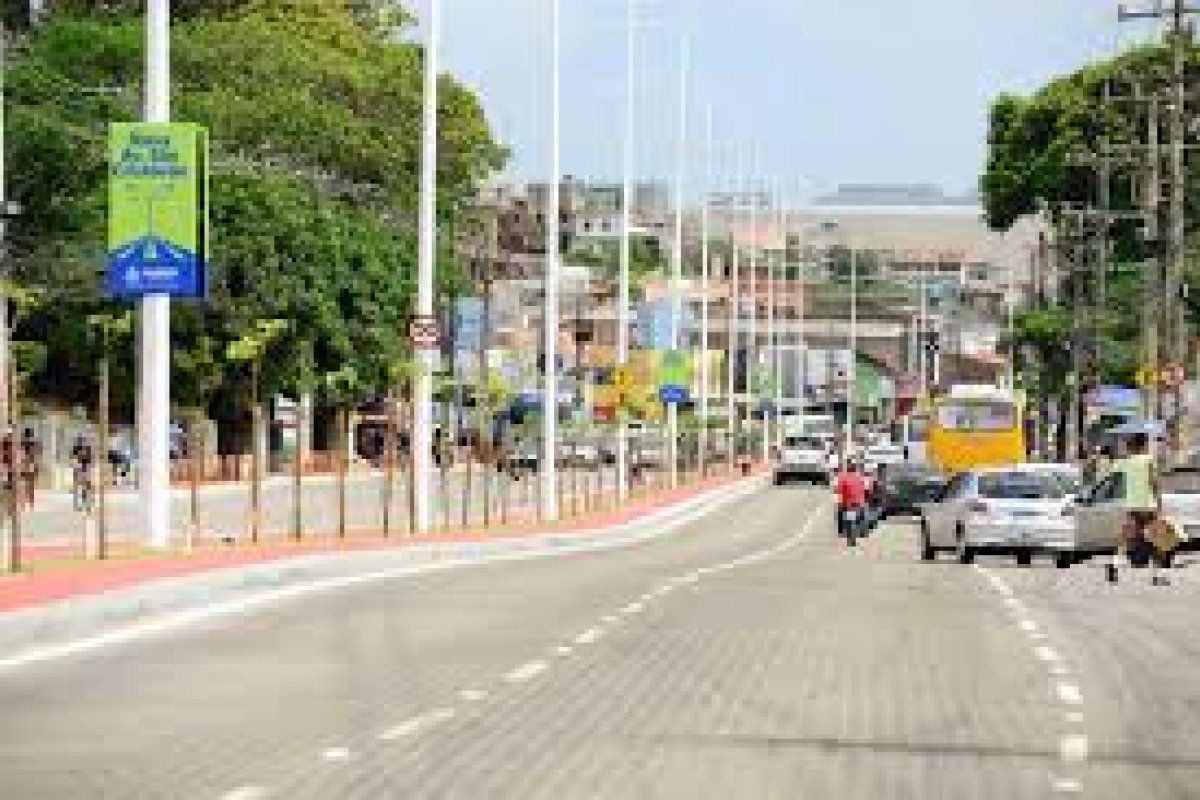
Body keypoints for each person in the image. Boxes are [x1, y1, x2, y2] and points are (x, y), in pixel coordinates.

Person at [1109, 431, 1166, 585]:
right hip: (1148, 506)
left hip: (1132, 506)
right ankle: (1156, 576)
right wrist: (1160, 504)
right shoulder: (1148, 460)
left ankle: (1114, 565)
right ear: (1144, 444)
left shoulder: (1127, 461)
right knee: (1157, 540)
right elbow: (1154, 483)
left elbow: (1113, 473)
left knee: (1125, 539)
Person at [835, 459, 868, 547]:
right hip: (859, 503)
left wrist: (840, 502)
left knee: (844, 518)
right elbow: (865, 489)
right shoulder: (860, 477)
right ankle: (863, 531)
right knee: (861, 517)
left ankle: (842, 532)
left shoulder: (843, 478)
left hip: (848, 504)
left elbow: (839, 490)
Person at [70, 435, 95, 514]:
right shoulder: (77, 448)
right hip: (80, 467)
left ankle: (86, 504)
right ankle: (80, 504)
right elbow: (73, 457)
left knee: (86, 486)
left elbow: (91, 459)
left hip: (85, 467)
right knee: (80, 486)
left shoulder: (87, 449)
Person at [19, 428, 39, 510]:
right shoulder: (34, 444)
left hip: (23, 464)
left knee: (23, 484)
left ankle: (24, 503)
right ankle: (31, 503)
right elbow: (36, 455)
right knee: (30, 484)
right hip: (30, 464)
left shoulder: (22, 443)